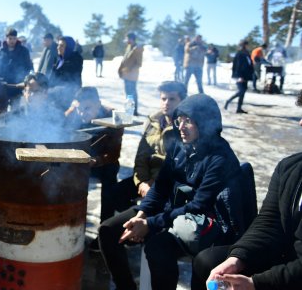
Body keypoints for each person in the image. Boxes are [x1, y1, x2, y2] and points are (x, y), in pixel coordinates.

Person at [99, 94, 245, 290]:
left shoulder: (219, 157)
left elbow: (198, 205)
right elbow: (161, 186)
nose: (181, 126)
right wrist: (142, 215)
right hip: (168, 210)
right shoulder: (179, 146)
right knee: (107, 230)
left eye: (189, 121)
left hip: (200, 222)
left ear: (205, 123)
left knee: (158, 247)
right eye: (180, 120)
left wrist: (150, 224)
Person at [193, 91, 302, 290]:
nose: (301, 123)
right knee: (209, 261)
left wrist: (257, 284)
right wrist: (237, 258)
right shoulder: (291, 167)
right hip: (285, 255)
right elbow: (269, 221)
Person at [111, 81, 186, 212]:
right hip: (148, 178)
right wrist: (142, 182)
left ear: (182, 101)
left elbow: (176, 166)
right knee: (115, 193)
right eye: (163, 99)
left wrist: (153, 182)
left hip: (169, 183)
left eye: (172, 99)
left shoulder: (184, 128)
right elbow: (142, 156)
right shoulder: (153, 122)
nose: (166, 103)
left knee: (150, 208)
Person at [64, 87, 124, 224]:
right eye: (79, 108)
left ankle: (105, 225)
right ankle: (69, 220)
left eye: (87, 108)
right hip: (77, 161)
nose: (81, 113)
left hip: (101, 163)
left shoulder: (113, 118)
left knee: (111, 174)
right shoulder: (72, 114)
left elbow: (114, 154)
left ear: (98, 104)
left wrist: (96, 160)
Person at [0, 28, 33, 101]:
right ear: (6, 39)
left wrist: (27, 81)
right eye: (10, 38)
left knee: (15, 108)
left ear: (17, 39)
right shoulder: (1, 52)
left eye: (14, 38)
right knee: (2, 108)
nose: (12, 41)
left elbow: (29, 67)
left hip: (18, 85)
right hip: (4, 85)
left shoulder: (24, 51)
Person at [118, 32, 144, 116]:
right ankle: (129, 110)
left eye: (127, 39)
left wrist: (128, 70)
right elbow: (124, 60)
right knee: (128, 94)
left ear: (131, 39)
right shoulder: (129, 47)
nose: (126, 40)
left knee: (131, 94)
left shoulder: (137, 49)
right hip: (126, 75)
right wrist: (120, 69)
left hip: (132, 76)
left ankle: (133, 111)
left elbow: (138, 64)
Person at [225, 40, 253, 114]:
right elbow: (238, 66)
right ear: (244, 45)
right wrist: (240, 76)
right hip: (240, 75)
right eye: (247, 45)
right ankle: (228, 101)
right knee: (241, 90)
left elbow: (249, 64)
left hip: (245, 75)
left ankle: (239, 108)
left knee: (243, 92)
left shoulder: (247, 53)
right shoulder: (240, 54)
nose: (248, 46)